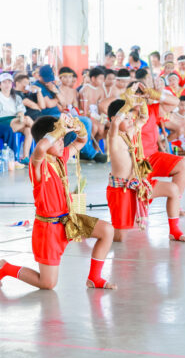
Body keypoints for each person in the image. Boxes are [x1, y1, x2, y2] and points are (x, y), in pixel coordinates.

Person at [0, 114, 116, 290]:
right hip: (48, 229)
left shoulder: (61, 158)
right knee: (47, 283)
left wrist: (78, 126)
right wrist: (59, 129)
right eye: (58, 140)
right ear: (46, 140)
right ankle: (4, 267)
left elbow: (81, 141)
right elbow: (40, 148)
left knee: (107, 230)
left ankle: (94, 278)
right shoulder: (37, 165)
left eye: (62, 139)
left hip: (69, 220)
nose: (62, 143)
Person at [106, 96, 185, 242]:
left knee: (173, 190)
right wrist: (127, 104)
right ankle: (96, 230)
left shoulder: (129, 133)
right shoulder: (113, 138)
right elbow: (115, 125)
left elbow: (143, 119)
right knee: (120, 237)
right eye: (126, 118)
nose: (130, 121)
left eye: (131, 117)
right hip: (121, 190)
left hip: (137, 186)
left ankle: (174, 231)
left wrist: (141, 102)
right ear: (114, 119)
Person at [126, 82, 185, 216]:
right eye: (134, 95)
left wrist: (154, 94)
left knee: (184, 165)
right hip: (133, 163)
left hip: (153, 157)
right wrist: (126, 96)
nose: (138, 98)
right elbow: (104, 106)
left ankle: (176, 203)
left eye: (141, 95)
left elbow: (175, 102)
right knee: (139, 208)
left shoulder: (151, 110)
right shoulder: (124, 113)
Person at [0, 72, 33, 164]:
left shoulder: (16, 97)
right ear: (0, 85)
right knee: (28, 121)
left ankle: (25, 157)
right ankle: (41, 135)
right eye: (4, 82)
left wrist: (21, 116)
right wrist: (21, 119)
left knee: (28, 129)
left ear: (12, 84)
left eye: (9, 82)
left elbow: (20, 110)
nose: (7, 84)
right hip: (2, 121)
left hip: (17, 121)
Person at [81, 67, 109, 145]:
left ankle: (95, 149)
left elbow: (101, 106)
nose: (102, 81)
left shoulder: (101, 90)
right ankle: (87, 146)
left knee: (101, 128)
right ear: (93, 78)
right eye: (100, 78)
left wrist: (102, 117)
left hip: (96, 115)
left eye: (103, 79)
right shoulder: (85, 89)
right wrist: (94, 116)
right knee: (95, 127)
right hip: (86, 114)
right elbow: (83, 108)